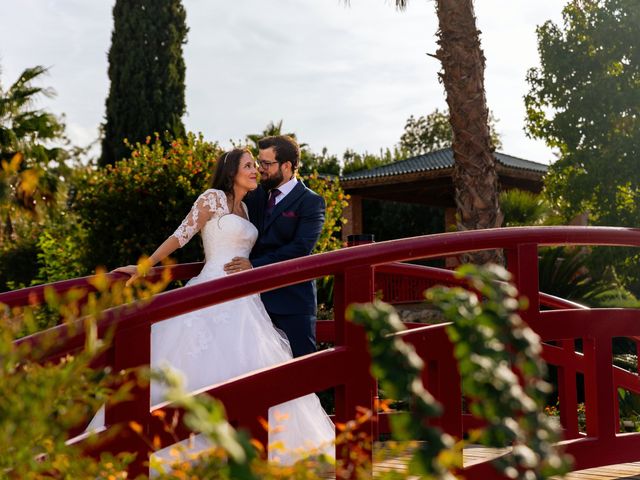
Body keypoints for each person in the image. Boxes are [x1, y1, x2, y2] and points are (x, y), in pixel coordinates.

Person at [112, 148, 334, 464]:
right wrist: (145, 266)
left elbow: (293, 246)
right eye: (249, 165)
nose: (256, 170)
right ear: (232, 172)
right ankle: (176, 448)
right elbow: (181, 235)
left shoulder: (247, 206)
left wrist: (254, 265)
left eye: (258, 165)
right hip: (211, 290)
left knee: (248, 366)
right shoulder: (212, 198)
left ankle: (243, 448)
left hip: (245, 299)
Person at [223, 136, 325, 358]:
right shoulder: (255, 194)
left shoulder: (311, 202)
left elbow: (300, 248)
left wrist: (253, 265)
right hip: (253, 302)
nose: (260, 170)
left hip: (292, 302)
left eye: (267, 164)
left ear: (287, 166)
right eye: (259, 163)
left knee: (299, 372)